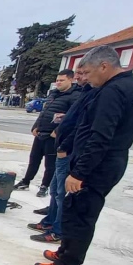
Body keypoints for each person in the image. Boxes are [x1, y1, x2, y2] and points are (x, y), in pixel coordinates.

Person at [35, 45, 133, 265]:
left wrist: (79, 173)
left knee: (80, 214)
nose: (83, 78)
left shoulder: (113, 91)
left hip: (98, 164)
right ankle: (64, 253)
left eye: (86, 73)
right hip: (110, 160)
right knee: (75, 209)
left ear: (104, 66)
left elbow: (100, 137)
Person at [29, 66, 97, 244]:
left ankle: (58, 230)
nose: (81, 77)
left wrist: (62, 141)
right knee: (55, 189)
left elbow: (80, 125)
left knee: (60, 192)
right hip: (60, 146)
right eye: (79, 74)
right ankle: (51, 222)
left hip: (67, 149)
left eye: (84, 73)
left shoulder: (87, 95)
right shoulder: (82, 94)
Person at [15, 69, 81, 197]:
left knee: (50, 164)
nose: (58, 83)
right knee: (34, 159)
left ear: (71, 80)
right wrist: (36, 126)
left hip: (54, 136)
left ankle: (44, 186)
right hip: (41, 133)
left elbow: (73, 117)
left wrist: (58, 131)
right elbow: (44, 112)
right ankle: (26, 181)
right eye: (57, 80)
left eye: (62, 80)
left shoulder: (75, 96)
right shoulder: (53, 94)